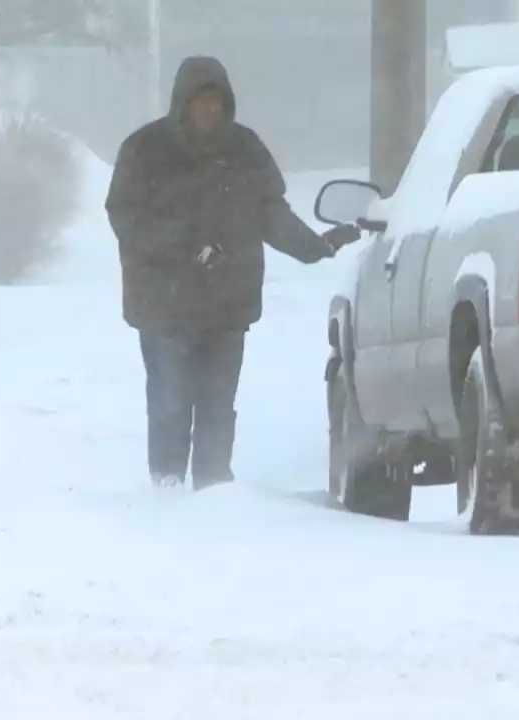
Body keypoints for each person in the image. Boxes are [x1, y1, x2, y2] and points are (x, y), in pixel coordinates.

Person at [105, 55, 361, 491]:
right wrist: (186, 248)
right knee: (170, 401)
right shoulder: (145, 149)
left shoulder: (245, 150)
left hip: (227, 302)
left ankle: (214, 488)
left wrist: (315, 246)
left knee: (218, 403)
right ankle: (165, 483)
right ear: (182, 102)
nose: (210, 110)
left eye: (217, 101)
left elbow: (270, 212)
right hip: (163, 305)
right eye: (202, 100)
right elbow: (125, 216)